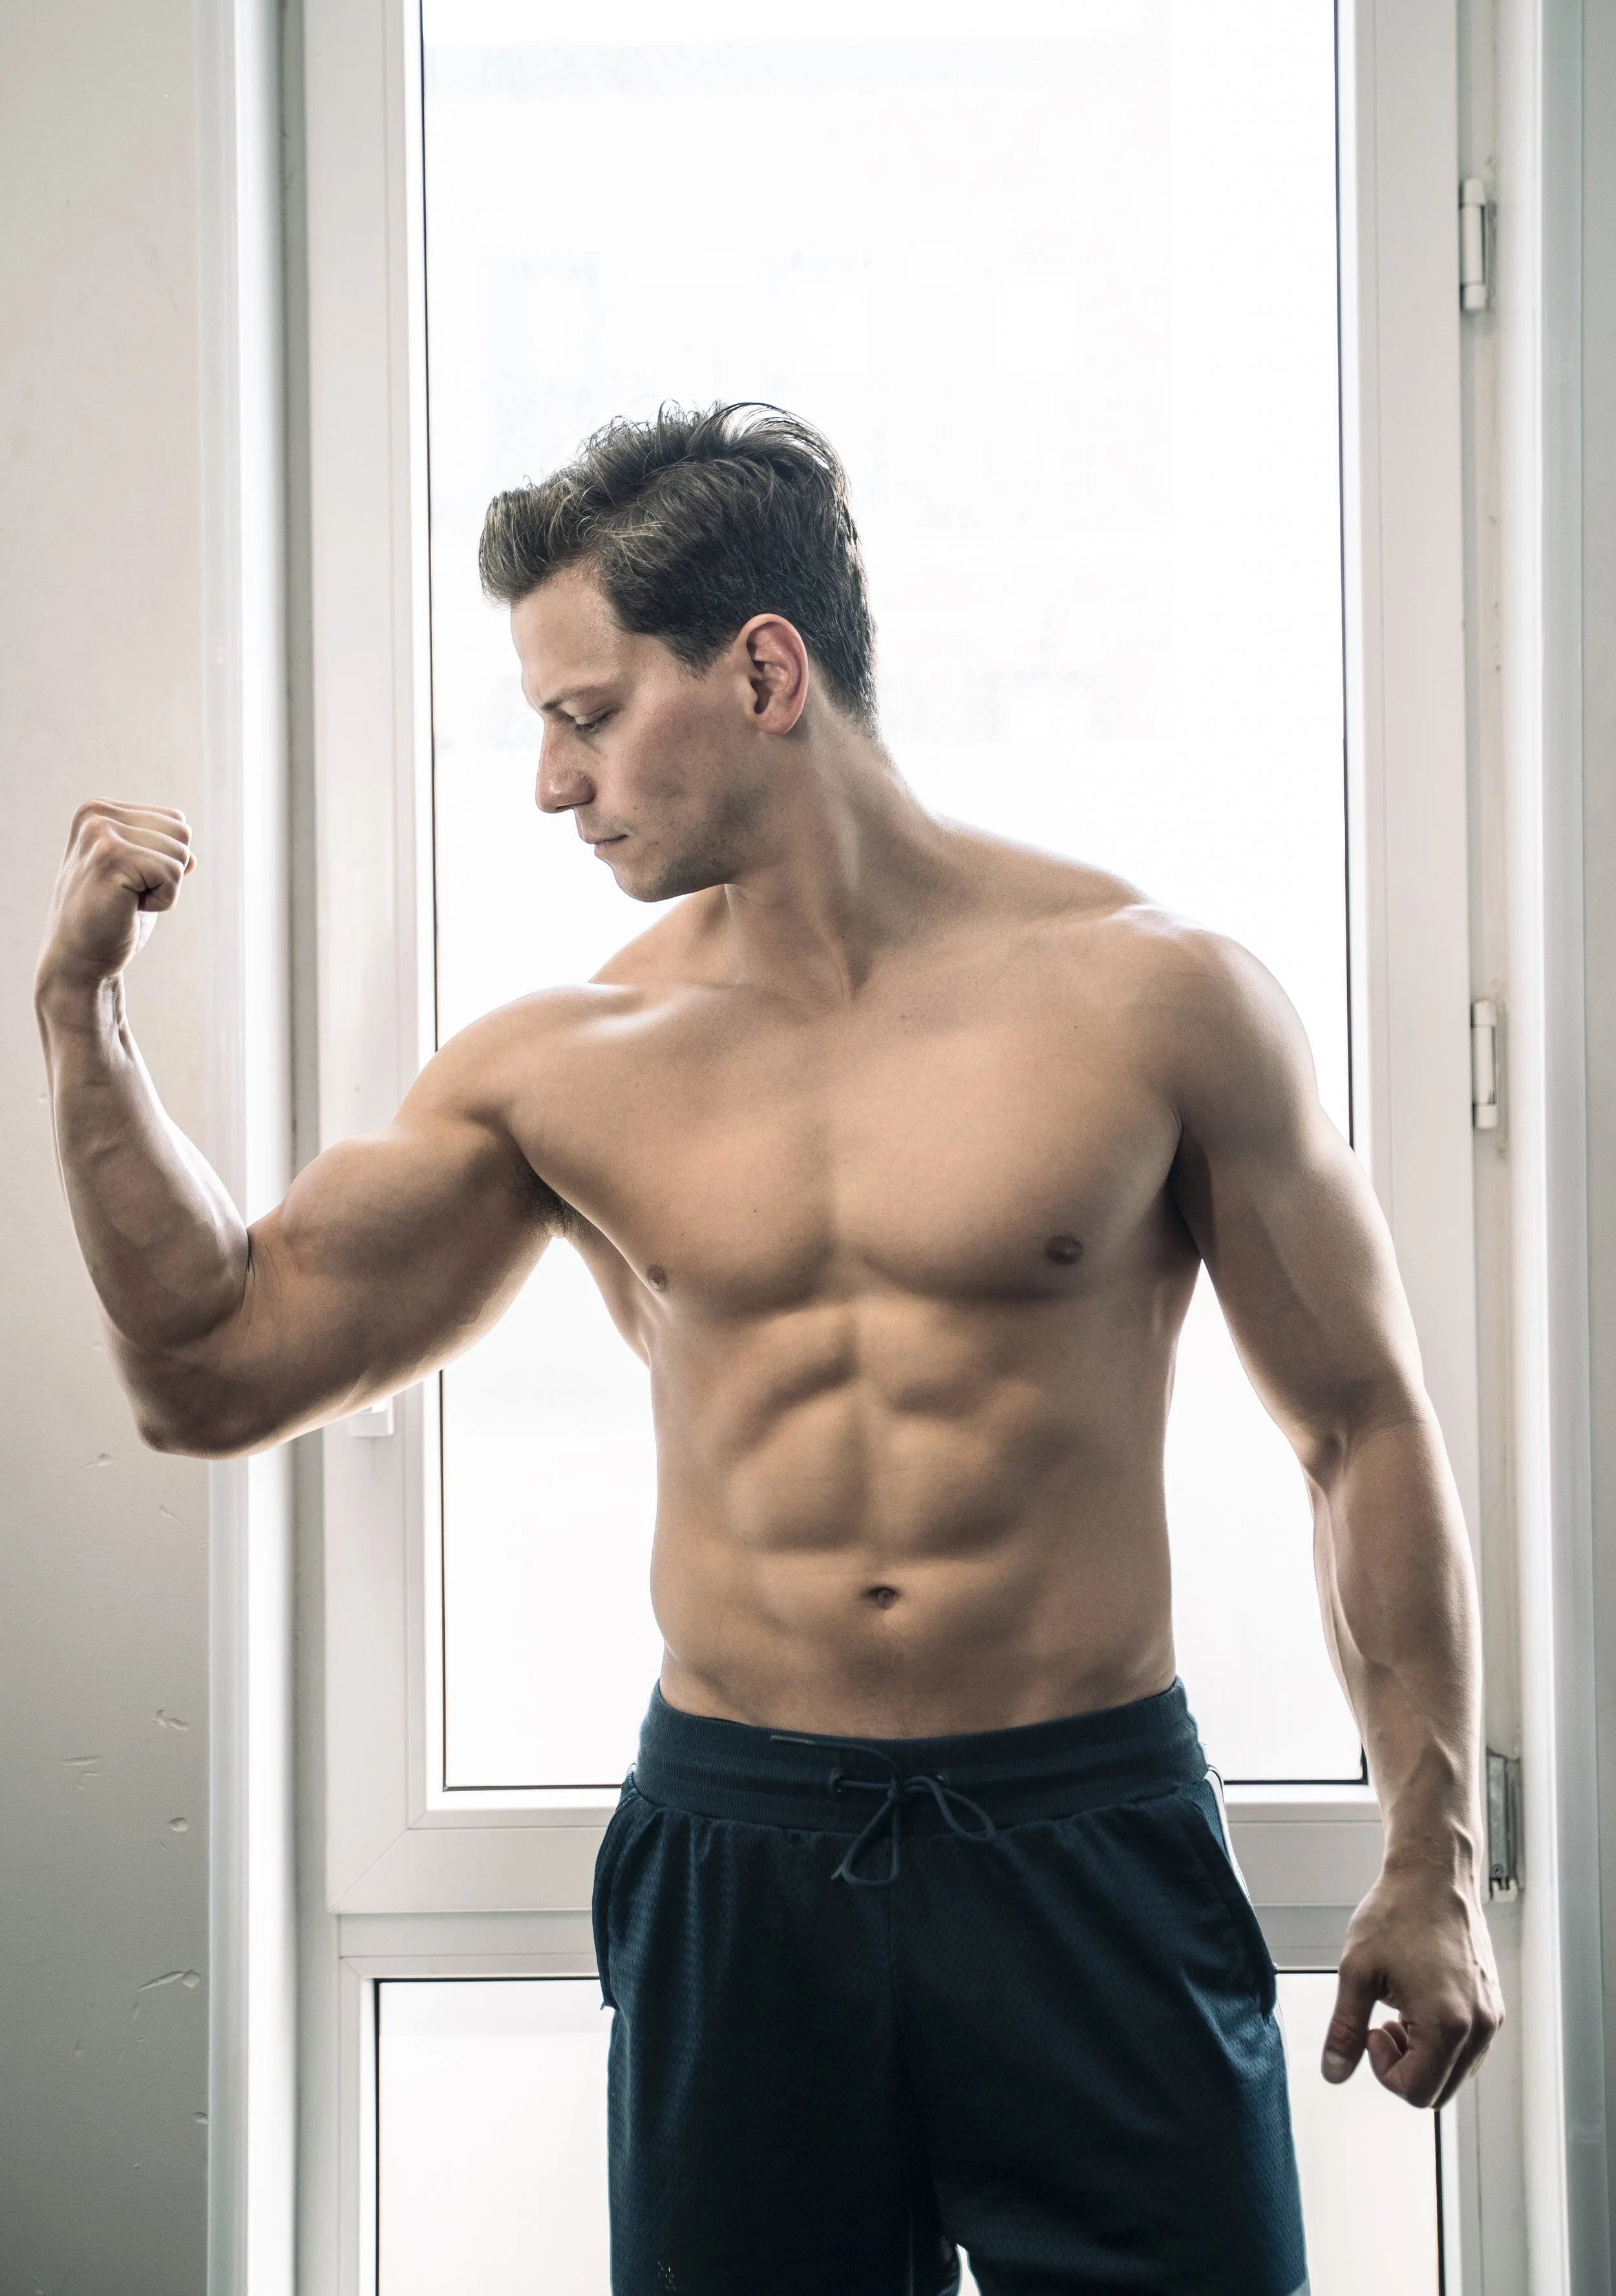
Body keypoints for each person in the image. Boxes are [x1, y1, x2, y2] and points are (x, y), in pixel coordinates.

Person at [36, 403, 1499, 2295]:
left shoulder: (1155, 999)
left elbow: (1359, 1428)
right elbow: (210, 1368)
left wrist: (1428, 1854)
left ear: (762, 667)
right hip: (742, 1853)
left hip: (1083, 1833)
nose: (552, 784)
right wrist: (82, 1022)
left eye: (582, 713)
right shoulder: (560, 1066)